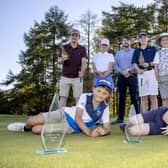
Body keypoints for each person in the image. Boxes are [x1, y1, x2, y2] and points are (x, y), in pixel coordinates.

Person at [7, 79, 113, 137]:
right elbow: (78, 118)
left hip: (71, 128)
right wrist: (89, 133)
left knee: (36, 130)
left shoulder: (105, 107)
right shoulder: (85, 96)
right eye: (99, 91)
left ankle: (32, 128)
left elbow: (107, 127)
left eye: (104, 93)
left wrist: (103, 132)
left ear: (107, 95)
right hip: (65, 113)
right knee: (32, 121)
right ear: (94, 89)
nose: (100, 94)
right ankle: (24, 128)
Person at [111, 36, 139, 125]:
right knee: (121, 97)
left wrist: (129, 70)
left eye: (127, 40)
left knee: (134, 97)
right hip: (121, 77)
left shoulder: (135, 52)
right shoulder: (118, 53)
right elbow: (115, 65)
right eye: (124, 40)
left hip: (132, 76)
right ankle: (120, 118)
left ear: (130, 42)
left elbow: (137, 63)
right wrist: (122, 72)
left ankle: (138, 118)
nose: (126, 42)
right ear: (122, 42)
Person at [58, 29, 88, 108]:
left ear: (78, 37)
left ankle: (77, 118)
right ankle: (61, 116)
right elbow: (59, 61)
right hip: (65, 76)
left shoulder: (82, 49)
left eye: (76, 35)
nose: (74, 37)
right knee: (63, 97)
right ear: (70, 37)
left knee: (78, 98)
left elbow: (84, 61)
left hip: (77, 78)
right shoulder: (64, 47)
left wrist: (82, 71)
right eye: (73, 35)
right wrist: (63, 59)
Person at [132, 32, 158, 112]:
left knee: (153, 95)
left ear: (147, 39)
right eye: (141, 38)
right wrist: (138, 70)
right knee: (143, 97)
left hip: (151, 73)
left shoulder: (153, 49)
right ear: (139, 40)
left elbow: (157, 62)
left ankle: (155, 115)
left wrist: (149, 64)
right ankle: (145, 117)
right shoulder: (136, 51)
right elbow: (134, 63)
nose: (143, 39)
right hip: (141, 74)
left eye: (144, 37)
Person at [153, 32, 168, 107]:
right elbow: (156, 66)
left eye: (167, 39)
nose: (165, 41)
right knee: (165, 98)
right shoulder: (158, 53)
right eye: (163, 40)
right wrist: (157, 77)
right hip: (162, 77)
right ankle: (166, 116)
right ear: (160, 42)